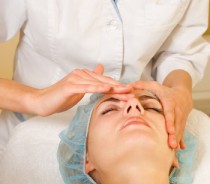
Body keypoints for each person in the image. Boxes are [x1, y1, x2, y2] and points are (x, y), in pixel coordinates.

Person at [0, 0, 209, 156]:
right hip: (35, 133)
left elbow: (180, 52)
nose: (130, 106)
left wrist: (180, 90)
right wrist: (35, 99)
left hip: (140, 144)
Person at [57, 90, 197, 184]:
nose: (134, 104)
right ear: (86, 158)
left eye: (152, 108)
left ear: (177, 150)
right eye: (109, 110)